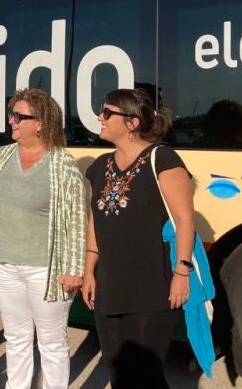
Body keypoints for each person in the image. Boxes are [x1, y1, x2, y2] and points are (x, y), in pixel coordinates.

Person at [0, 88, 86, 389]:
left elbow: (77, 219)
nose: (12, 121)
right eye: (11, 115)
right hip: (5, 267)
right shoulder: (3, 156)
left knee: (52, 343)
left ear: (41, 122)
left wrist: (74, 268)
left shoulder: (63, 165)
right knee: (15, 339)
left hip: (47, 270)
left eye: (19, 116)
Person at [80, 88, 195, 388]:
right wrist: (89, 270)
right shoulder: (98, 167)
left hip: (153, 287)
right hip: (110, 283)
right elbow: (96, 218)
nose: (99, 117)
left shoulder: (164, 159)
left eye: (107, 113)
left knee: (147, 376)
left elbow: (184, 220)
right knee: (118, 372)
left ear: (131, 123)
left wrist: (182, 272)